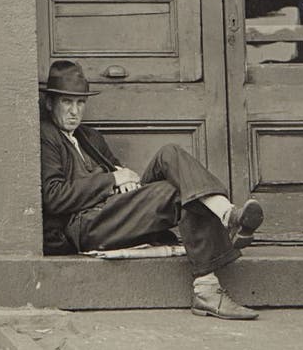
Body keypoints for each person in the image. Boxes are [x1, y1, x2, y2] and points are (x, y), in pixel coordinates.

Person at [38, 59, 264, 321]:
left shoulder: (89, 136)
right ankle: (207, 288)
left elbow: (120, 172)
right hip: (87, 223)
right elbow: (53, 196)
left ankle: (226, 213)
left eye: (80, 103)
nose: (74, 111)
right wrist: (113, 180)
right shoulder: (47, 136)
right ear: (50, 104)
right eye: (67, 102)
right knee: (176, 191)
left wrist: (126, 179)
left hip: (116, 210)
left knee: (170, 154)